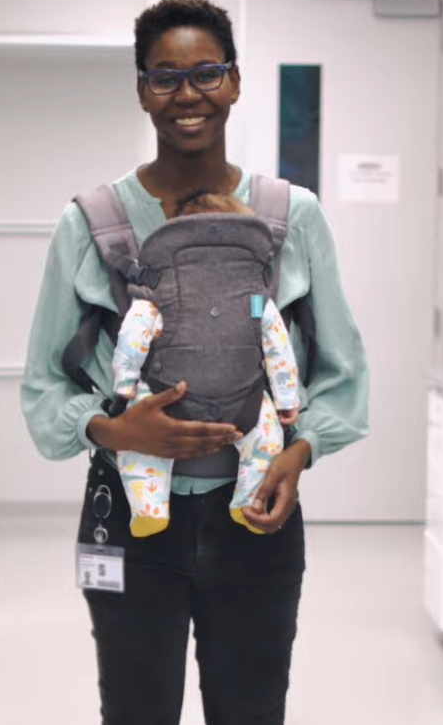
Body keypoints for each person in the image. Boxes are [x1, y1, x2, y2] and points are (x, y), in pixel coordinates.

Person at [20, 0, 370, 725]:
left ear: (236, 81)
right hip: (131, 529)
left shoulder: (288, 217)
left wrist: (299, 454)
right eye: (168, 76)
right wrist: (109, 426)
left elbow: (340, 371)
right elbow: (44, 381)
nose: (189, 93)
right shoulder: (90, 225)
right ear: (141, 90)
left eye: (207, 72)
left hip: (257, 524)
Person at [108, 190, 303, 538]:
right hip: (244, 401)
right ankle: (249, 503)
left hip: (169, 397)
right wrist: (287, 399)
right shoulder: (256, 298)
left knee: (138, 441)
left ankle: (148, 508)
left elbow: (133, 334)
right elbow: (276, 343)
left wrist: (125, 385)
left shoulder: (160, 289)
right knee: (267, 440)